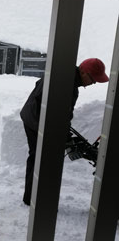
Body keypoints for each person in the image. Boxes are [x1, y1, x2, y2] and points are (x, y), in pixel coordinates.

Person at [20, 58, 109, 206]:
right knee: (40, 158)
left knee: (38, 157)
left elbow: (63, 112)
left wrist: (63, 132)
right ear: (83, 72)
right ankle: (33, 198)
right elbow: (54, 108)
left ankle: (33, 196)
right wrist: (57, 132)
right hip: (36, 120)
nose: (93, 83)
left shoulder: (67, 77)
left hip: (33, 117)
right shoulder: (68, 84)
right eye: (93, 79)